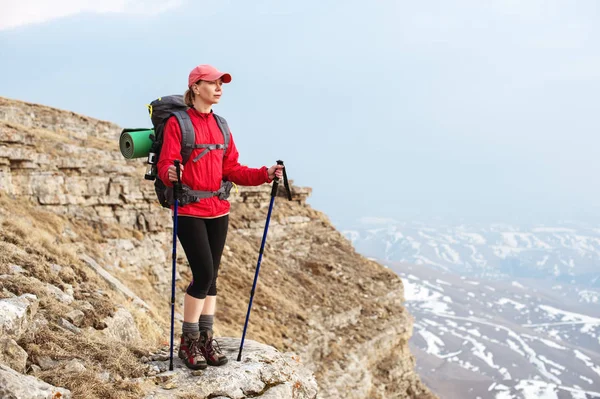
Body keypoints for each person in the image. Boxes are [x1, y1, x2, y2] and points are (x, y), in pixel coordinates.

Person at [157, 64, 284, 370]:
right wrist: (170, 172)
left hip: (219, 210)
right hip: (188, 210)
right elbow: (164, 164)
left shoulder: (222, 125)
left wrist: (264, 174)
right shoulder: (178, 123)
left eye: (221, 84)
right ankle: (187, 343)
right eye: (212, 83)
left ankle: (205, 339)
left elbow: (232, 169)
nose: (219, 88)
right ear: (196, 87)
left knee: (211, 277)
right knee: (202, 275)